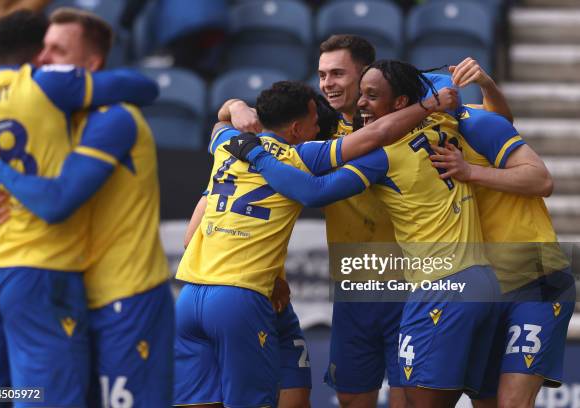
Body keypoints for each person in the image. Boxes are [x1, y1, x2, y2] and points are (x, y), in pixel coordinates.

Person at [225, 34, 513, 408]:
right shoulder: (319, 128)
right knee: (351, 397)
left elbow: (492, 119)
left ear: (366, 76)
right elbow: (257, 129)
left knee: (410, 398)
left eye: (338, 73)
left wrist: (479, 85)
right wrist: (234, 105)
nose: (328, 83)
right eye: (322, 74)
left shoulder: (407, 120)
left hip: (407, 284)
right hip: (354, 286)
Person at [173, 78, 457, 408]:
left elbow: (219, 123)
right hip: (239, 297)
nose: (320, 124)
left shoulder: (227, 143)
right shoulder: (302, 156)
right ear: (296, 128)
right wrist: (427, 107)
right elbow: (376, 136)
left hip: (190, 293)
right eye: (313, 120)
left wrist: (235, 105)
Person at [0, 8, 174, 407]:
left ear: (91, 66)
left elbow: (57, 200)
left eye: (56, 50)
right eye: (41, 50)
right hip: (58, 288)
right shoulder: (53, 115)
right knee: (14, 395)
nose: (42, 61)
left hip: (124, 296)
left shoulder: (114, 116)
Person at [430, 106, 574, 408]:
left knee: (512, 402)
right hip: (480, 291)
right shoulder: (394, 149)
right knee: (486, 402)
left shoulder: (475, 124)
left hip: (536, 278)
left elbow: (543, 182)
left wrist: (470, 171)